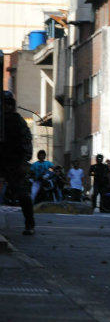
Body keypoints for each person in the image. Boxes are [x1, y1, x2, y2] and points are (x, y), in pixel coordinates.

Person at [0, 91, 35, 234]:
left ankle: (30, 224)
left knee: (22, 194)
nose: (6, 107)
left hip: (14, 162)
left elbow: (26, 141)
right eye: (4, 104)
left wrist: (24, 161)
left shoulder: (17, 121)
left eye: (8, 104)